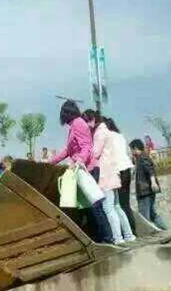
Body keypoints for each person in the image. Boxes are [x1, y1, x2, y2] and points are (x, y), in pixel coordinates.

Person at [50, 101, 113, 244]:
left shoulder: (78, 123)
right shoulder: (73, 126)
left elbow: (86, 146)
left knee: (95, 205)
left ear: (66, 113)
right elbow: (68, 150)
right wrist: (51, 162)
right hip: (80, 170)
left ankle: (107, 238)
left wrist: (79, 161)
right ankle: (96, 237)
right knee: (85, 206)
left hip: (87, 169)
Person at [92, 115, 135, 244]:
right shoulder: (119, 135)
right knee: (122, 205)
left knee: (111, 207)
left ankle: (119, 236)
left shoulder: (105, 135)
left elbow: (98, 154)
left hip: (114, 170)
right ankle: (129, 234)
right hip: (125, 168)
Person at [104, 118, 137, 241]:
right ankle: (132, 231)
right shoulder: (120, 136)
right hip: (127, 169)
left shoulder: (108, 137)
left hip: (119, 170)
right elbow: (127, 153)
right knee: (125, 204)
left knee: (119, 205)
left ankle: (129, 232)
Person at [130, 139, 168, 230]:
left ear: (135, 148)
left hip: (145, 191)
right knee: (152, 213)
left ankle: (148, 234)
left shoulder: (142, 157)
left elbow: (150, 170)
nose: (131, 152)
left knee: (144, 217)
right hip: (147, 190)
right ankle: (166, 229)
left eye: (131, 149)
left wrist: (153, 182)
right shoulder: (140, 158)